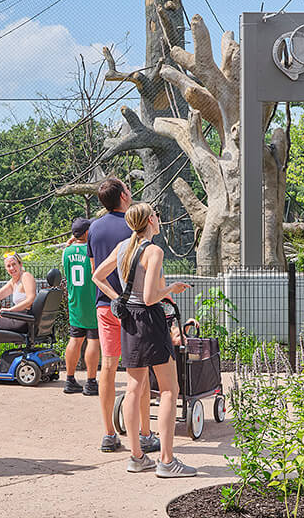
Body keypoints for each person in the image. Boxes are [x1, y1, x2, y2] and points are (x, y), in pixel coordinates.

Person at [91, 204, 195, 479]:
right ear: (150, 220)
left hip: (128, 320)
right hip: (149, 319)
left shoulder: (123, 246)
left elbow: (97, 276)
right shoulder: (153, 250)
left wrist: (117, 299)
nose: (160, 220)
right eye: (157, 216)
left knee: (134, 388)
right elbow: (151, 296)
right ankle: (167, 460)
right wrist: (171, 288)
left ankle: (137, 457)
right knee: (170, 390)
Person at [85, 177, 156, 457]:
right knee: (138, 370)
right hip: (135, 306)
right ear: (124, 196)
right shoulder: (133, 225)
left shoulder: (94, 228)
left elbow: (95, 268)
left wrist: (113, 296)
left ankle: (109, 433)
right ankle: (145, 433)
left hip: (106, 306)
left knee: (108, 368)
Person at [60, 218, 100, 396]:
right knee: (93, 340)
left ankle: (69, 380)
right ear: (86, 233)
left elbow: (67, 256)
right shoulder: (93, 250)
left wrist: (71, 242)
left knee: (75, 340)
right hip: (92, 301)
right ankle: (91, 382)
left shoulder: (66, 252)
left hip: (74, 302)